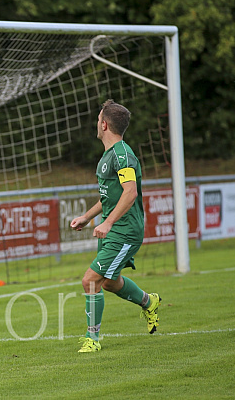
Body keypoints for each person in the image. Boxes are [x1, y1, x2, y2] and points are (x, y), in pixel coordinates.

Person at [70, 99, 161, 353]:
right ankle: (149, 302)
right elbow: (111, 196)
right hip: (114, 229)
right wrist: (88, 217)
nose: (96, 123)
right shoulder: (109, 155)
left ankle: (93, 340)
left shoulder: (123, 155)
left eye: (98, 118)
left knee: (90, 280)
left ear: (104, 123)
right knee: (109, 282)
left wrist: (108, 223)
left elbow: (130, 193)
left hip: (124, 231)